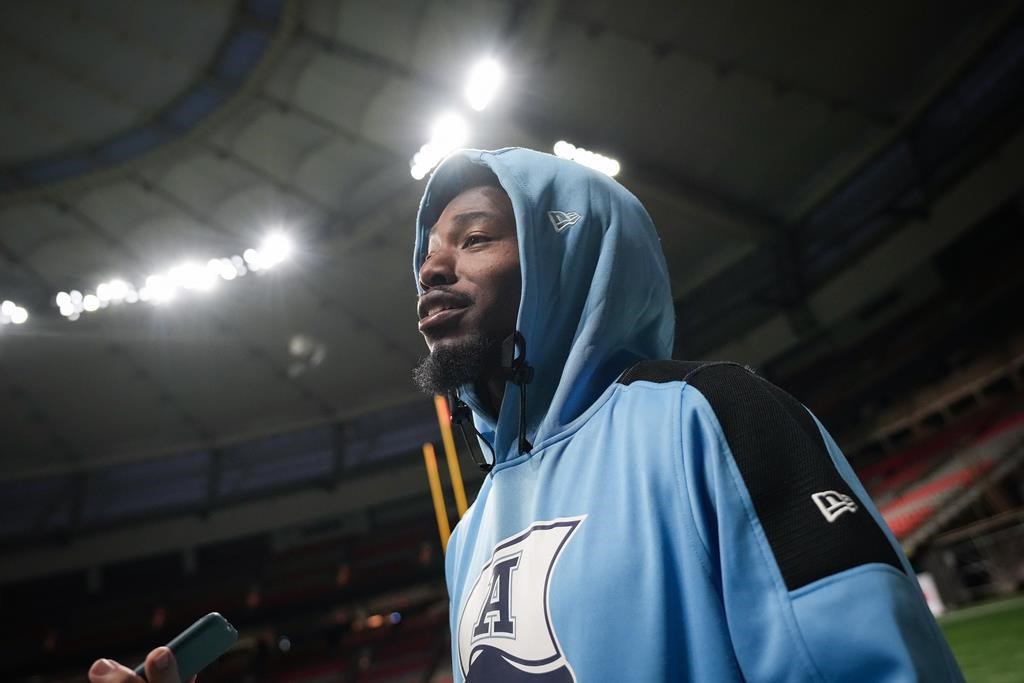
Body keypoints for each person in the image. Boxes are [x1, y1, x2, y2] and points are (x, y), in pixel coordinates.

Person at [412, 147, 964, 682]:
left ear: (565, 258)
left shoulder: (708, 414)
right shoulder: (467, 537)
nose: (431, 268)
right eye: (429, 252)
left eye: (475, 238)